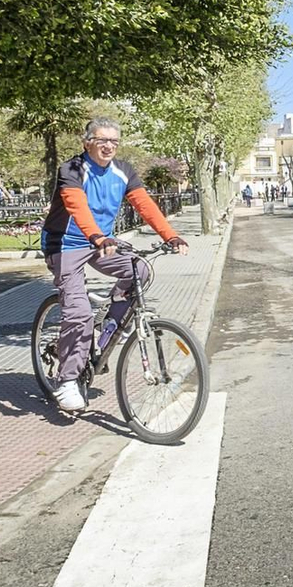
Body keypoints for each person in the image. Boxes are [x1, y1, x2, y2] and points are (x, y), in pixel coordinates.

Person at [42, 118, 188, 412]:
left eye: (114, 141)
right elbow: (76, 206)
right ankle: (67, 379)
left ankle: (112, 323)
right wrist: (96, 235)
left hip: (102, 242)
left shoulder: (123, 171)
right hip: (67, 243)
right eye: (101, 140)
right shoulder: (72, 170)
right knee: (79, 313)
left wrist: (171, 236)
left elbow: (145, 205)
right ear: (87, 143)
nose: (108, 145)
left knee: (140, 270)